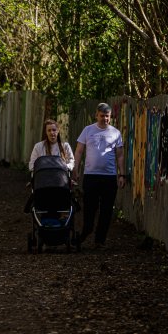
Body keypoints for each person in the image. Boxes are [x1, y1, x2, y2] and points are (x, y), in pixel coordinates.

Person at [72, 102, 125, 249]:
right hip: (91, 176)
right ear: (96, 115)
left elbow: (120, 155)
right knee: (89, 207)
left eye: (107, 116)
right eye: (102, 116)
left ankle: (99, 240)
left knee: (107, 210)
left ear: (110, 117)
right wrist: (75, 169)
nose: (105, 119)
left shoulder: (115, 133)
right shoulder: (88, 131)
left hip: (109, 177)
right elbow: (79, 151)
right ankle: (86, 230)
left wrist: (122, 175)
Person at [24, 119, 74, 213]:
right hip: (43, 182)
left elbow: (71, 161)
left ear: (58, 131)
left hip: (61, 182)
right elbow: (32, 164)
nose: (52, 133)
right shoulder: (38, 147)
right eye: (49, 130)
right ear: (46, 132)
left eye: (54, 130)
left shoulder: (65, 146)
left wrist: (66, 167)